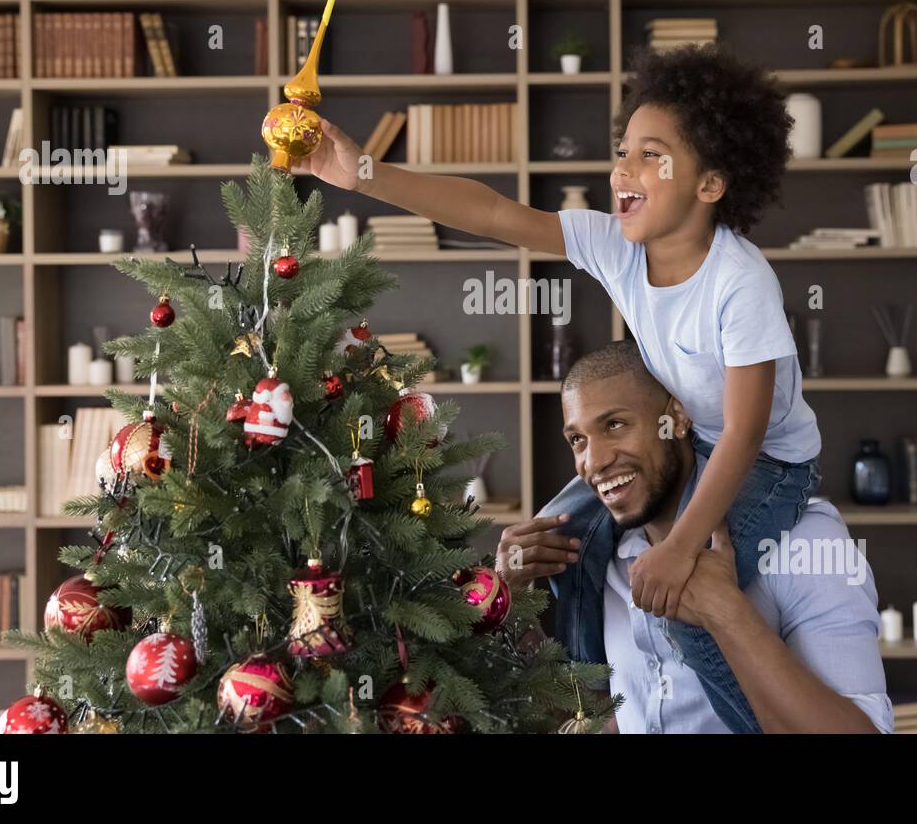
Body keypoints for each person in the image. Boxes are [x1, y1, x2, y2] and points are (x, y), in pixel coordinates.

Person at [293, 44, 820, 731]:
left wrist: (680, 545)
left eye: (649, 156)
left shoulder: (739, 282)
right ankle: (583, 705)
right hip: (695, 442)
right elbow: (490, 213)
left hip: (770, 466)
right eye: (622, 150)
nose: (622, 169)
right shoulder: (620, 247)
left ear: (711, 183)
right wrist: (362, 173)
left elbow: (747, 433)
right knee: (557, 534)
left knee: (693, 609)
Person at [498, 341, 890, 733]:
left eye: (615, 425)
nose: (594, 462)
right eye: (577, 440)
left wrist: (724, 609)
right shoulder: (601, 556)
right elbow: (605, 716)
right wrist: (509, 609)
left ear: (677, 417)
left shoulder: (807, 542)